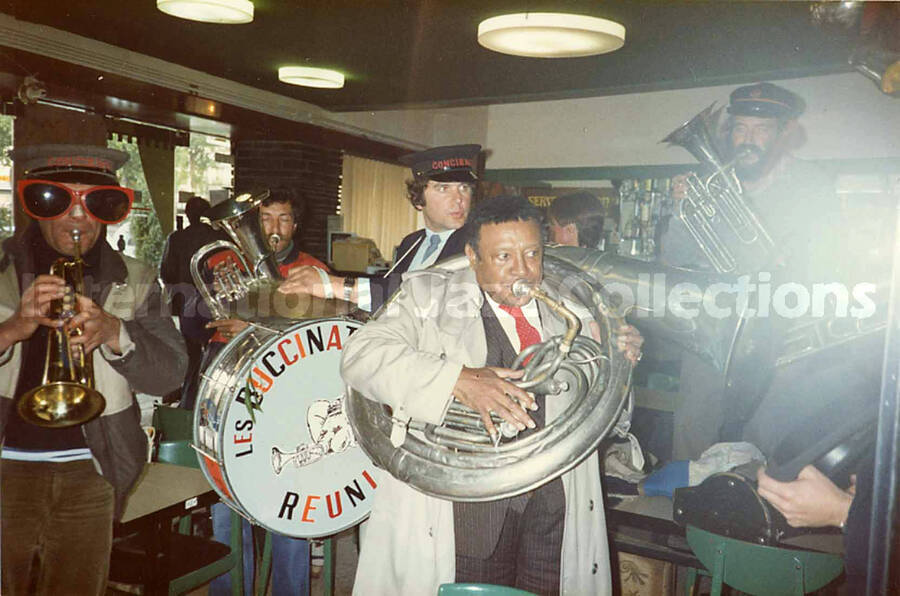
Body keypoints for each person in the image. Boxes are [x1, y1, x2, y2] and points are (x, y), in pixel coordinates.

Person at [342, 195, 642, 595]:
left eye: (532, 254)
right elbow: (360, 356)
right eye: (503, 257)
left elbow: (608, 412)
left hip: (555, 506)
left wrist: (621, 362)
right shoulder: (428, 296)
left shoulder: (576, 306)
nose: (523, 271)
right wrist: (456, 380)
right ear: (472, 256)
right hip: (466, 513)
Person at [0, 144, 187, 594]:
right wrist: (12, 329)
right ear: (37, 205)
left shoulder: (138, 277)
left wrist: (116, 333)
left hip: (94, 471)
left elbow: (172, 375)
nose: (79, 217)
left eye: (94, 202)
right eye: (60, 200)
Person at [659, 81, 842, 460]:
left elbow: (827, 265)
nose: (748, 139)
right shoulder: (709, 183)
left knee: (768, 442)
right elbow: (674, 261)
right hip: (714, 334)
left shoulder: (812, 185)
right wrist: (681, 211)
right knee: (694, 432)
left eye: (761, 130)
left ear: (783, 134)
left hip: (780, 333)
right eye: (740, 128)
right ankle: (693, 514)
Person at [206, 189, 328, 596]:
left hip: (286, 403)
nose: (274, 229)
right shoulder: (225, 263)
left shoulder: (313, 270)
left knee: (286, 506)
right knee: (228, 503)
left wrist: (254, 329)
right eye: (266, 219)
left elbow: (320, 339)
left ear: (296, 225)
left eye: (284, 219)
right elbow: (195, 325)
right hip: (234, 396)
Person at [279, 144, 480, 312]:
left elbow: (419, 294)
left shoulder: (477, 244)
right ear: (418, 199)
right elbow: (390, 286)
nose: (459, 200)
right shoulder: (412, 242)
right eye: (443, 189)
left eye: (464, 188)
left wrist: (334, 285)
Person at [159, 195, 226, 408]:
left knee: (192, 356)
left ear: (187, 215)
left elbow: (166, 272)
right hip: (216, 302)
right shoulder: (218, 236)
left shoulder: (176, 238)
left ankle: (188, 404)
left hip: (186, 303)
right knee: (214, 354)